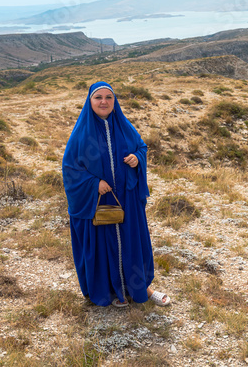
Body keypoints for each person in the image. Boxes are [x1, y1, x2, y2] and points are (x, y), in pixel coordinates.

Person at [62, 81, 170, 307]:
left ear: (114, 101)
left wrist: (136, 158)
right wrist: (93, 183)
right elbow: (70, 169)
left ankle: (143, 289)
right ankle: (110, 291)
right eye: (98, 97)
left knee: (131, 242)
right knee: (104, 245)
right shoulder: (81, 133)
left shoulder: (124, 125)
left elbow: (141, 147)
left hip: (126, 200)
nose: (103, 102)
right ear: (89, 101)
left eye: (108, 97)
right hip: (99, 202)